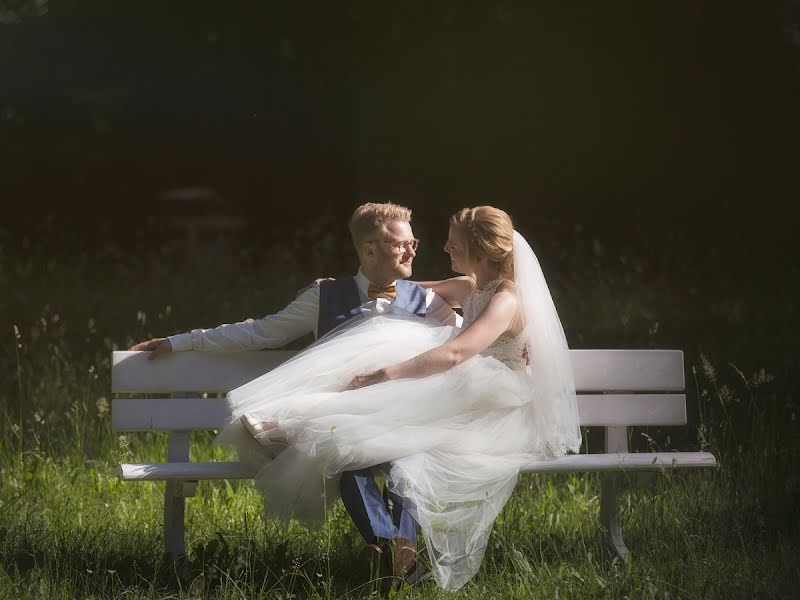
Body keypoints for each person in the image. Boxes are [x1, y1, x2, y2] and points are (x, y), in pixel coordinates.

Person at [217, 206, 582, 591]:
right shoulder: (474, 286)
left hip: (492, 403)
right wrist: (334, 288)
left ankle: (295, 424)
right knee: (371, 422)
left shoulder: (506, 300)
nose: (443, 248)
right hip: (466, 387)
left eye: (453, 244)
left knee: (389, 401)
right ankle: (398, 551)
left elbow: (458, 353)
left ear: (480, 251)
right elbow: (410, 289)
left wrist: (387, 373)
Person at [130, 202, 460, 583]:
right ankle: (395, 553)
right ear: (369, 249)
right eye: (402, 244)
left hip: (407, 417)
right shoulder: (325, 297)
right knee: (348, 457)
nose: (413, 250)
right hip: (345, 418)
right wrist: (182, 341)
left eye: (413, 242)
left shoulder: (429, 303)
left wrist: (516, 345)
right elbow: (261, 332)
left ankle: (391, 553)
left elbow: (466, 344)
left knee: (410, 463)